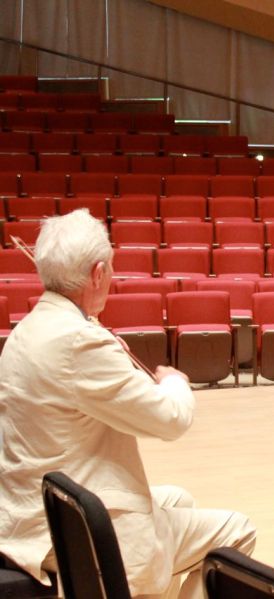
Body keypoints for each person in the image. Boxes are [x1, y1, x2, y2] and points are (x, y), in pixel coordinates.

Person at [0, 209, 256, 597]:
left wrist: (110, 355)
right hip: (67, 530)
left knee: (180, 499)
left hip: (29, 510)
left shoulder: (29, 328)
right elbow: (170, 419)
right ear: (98, 273)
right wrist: (174, 382)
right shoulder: (82, 342)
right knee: (238, 530)